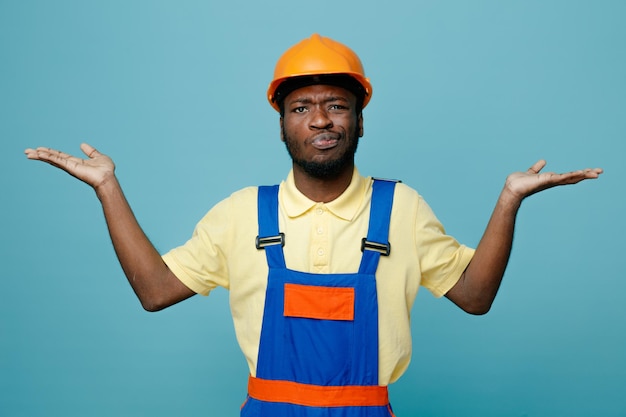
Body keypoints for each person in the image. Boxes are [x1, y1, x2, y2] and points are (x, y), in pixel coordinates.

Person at [25, 34, 602, 417]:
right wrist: (107, 187)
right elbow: (154, 294)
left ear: (359, 122)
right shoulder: (242, 214)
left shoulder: (401, 209)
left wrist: (509, 201)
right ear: (281, 125)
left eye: (337, 104)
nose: (320, 119)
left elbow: (475, 298)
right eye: (301, 107)